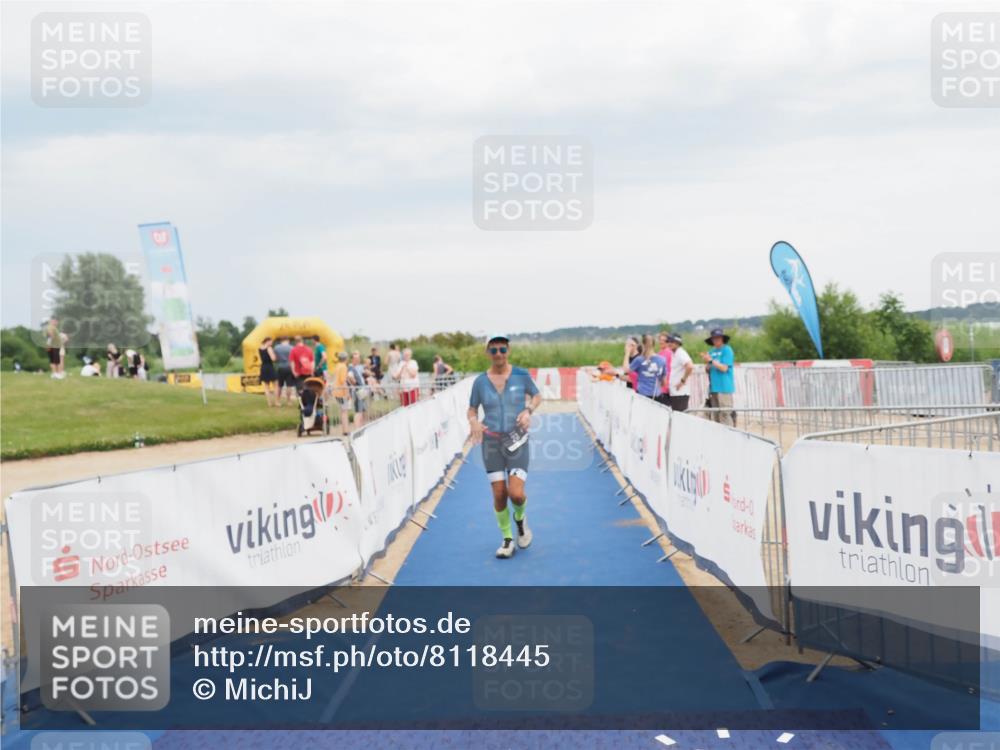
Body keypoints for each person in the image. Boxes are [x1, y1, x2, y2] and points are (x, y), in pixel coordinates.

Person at [468, 334, 542, 559]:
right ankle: (507, 539)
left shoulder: (521, 375)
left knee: (516, 493)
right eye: (493, 350)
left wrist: (528, 410)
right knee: (500, 494)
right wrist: (473, 421)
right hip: (491, 443)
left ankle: (520, 520)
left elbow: (537, 396)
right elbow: (472, 409)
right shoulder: (480, 382)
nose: (498, 354)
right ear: (487, 353)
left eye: (502, 350)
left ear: (508, 351)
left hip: (517, 440)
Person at [700, 327, 735, 426]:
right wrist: (707, 363)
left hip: (724, 387)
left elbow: (724, 368)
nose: (716, 340)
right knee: (716, 415)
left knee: (725, 414)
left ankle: (729, 435)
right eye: (714, 338)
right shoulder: (711, 351)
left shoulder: (727, 350)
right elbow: (708, 369)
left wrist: (711, 361)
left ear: (722, 338)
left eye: (718, 338)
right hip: (713, 388)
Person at [665, 333, 694, 412]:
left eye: (672, 341)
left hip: (680, 393)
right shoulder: (675, 353)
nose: (669, 343)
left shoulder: (680, 353)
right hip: (675, 393)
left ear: (678, 342)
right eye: (668, 341)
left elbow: (690, 366)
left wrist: (682, 381)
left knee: (680, 419)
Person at [348, 350, 369, 430]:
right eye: (356, 359)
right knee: (358, 410)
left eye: (359, 359)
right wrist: (355, 383)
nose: (358, 360)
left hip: (362, 389)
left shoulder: (358, 367)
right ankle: (357, 429)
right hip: (358, 390)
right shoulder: (351, 367)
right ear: (353, 360)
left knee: (363, 409)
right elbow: (349, 377)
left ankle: (363, 427)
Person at [331, 351, 351, 433]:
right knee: (344, 411)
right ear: (346, 358)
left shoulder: (337, 366)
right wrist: (347, 393)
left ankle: (344, 430)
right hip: (341, 392)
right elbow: (343, 381)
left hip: (336, 391)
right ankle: (345, 431)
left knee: (342, 411)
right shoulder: (343, 367)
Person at [273, 336, 294, 406]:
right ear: (287, 340)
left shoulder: (276, 347)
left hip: (280, 367)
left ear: (281, 340)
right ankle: (288, 401)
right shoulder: (291, 348)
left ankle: (278, 401)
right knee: (289, 385)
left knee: (279, 385)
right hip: (289, 367)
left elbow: (275, 358)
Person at [258, 336, 278, 407]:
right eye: (271, 341)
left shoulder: (260, 348)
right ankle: (276, 402)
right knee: (275, 385)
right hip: (269, 367)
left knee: (266, 387)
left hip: (263, 367)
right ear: (268, 341)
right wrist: (276, 357)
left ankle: (269, 403)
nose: (272, 343)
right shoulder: (269, 348)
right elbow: (273, 359)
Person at [655, 332, 674, 406]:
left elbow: (670, 370)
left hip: (667, 387)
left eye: (664, 340)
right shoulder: (658, 353)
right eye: (660, 339)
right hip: (659, 387)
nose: (661, 341)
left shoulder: (669, 352)